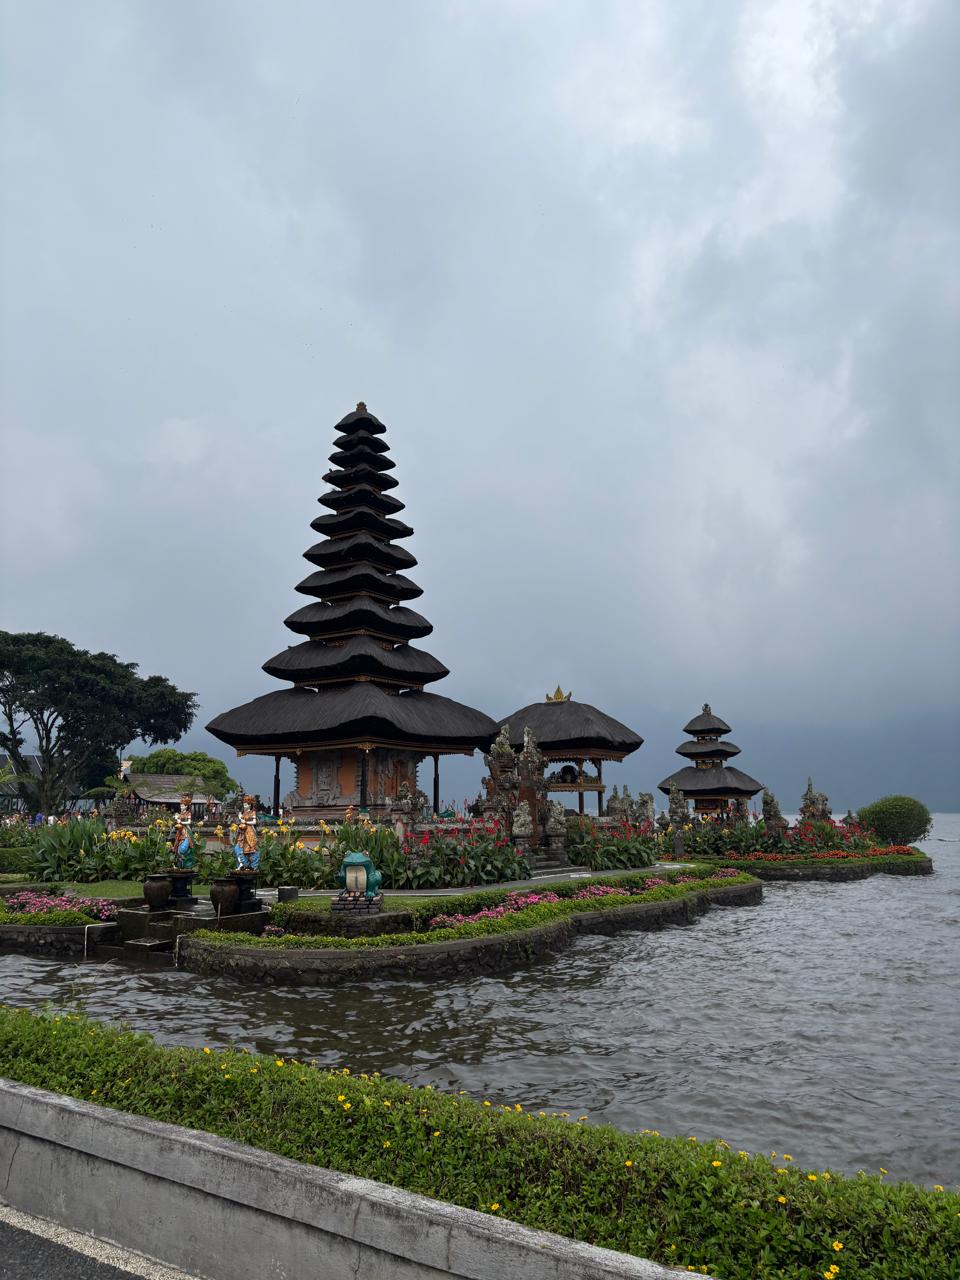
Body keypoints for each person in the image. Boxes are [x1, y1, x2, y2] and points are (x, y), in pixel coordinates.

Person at [234, 794, 259, 870]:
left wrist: (246, 822)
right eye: (244, 804)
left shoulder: (252, 812)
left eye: (246, 805)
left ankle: (251, 865)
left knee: (251, 847)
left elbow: (254, 822)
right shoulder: (243, 813)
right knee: (239, 847)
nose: (244, 806)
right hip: (242, 832)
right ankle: (242, 864)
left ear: (250, 804)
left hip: (249, 831)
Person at [171, 794, 194, 869]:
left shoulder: (188, 813)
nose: (181, 807)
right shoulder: (179, 814)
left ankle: (186, 864)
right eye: (181, 806)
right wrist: (176, 819)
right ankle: (179, 864)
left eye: (183, 806)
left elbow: (189, 822)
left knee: (183, 849)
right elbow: (177, 822)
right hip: (179, 831)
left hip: (186, 831)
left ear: (186, 806)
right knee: (177, 847)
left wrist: (181, 822)